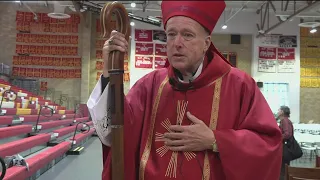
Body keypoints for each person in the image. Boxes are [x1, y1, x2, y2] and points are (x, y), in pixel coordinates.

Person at [87, 1, 283, 180]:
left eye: (187, 35)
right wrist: (108, 70)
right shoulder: (150, 85)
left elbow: (268, 144)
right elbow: (116, 132)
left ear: (206, 43)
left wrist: (216, 140)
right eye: (171, 34)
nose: (177, 43)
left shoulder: (239, 85)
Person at [277, 106, 294, 180]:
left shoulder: (285, 121)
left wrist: (277, 138)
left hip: (285, 147)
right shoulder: (284, 120)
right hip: (284, 146)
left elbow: (287, 134)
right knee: (283, 167)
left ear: (282, 112)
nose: (278, 111)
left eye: (279, 110)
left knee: (283, 167)